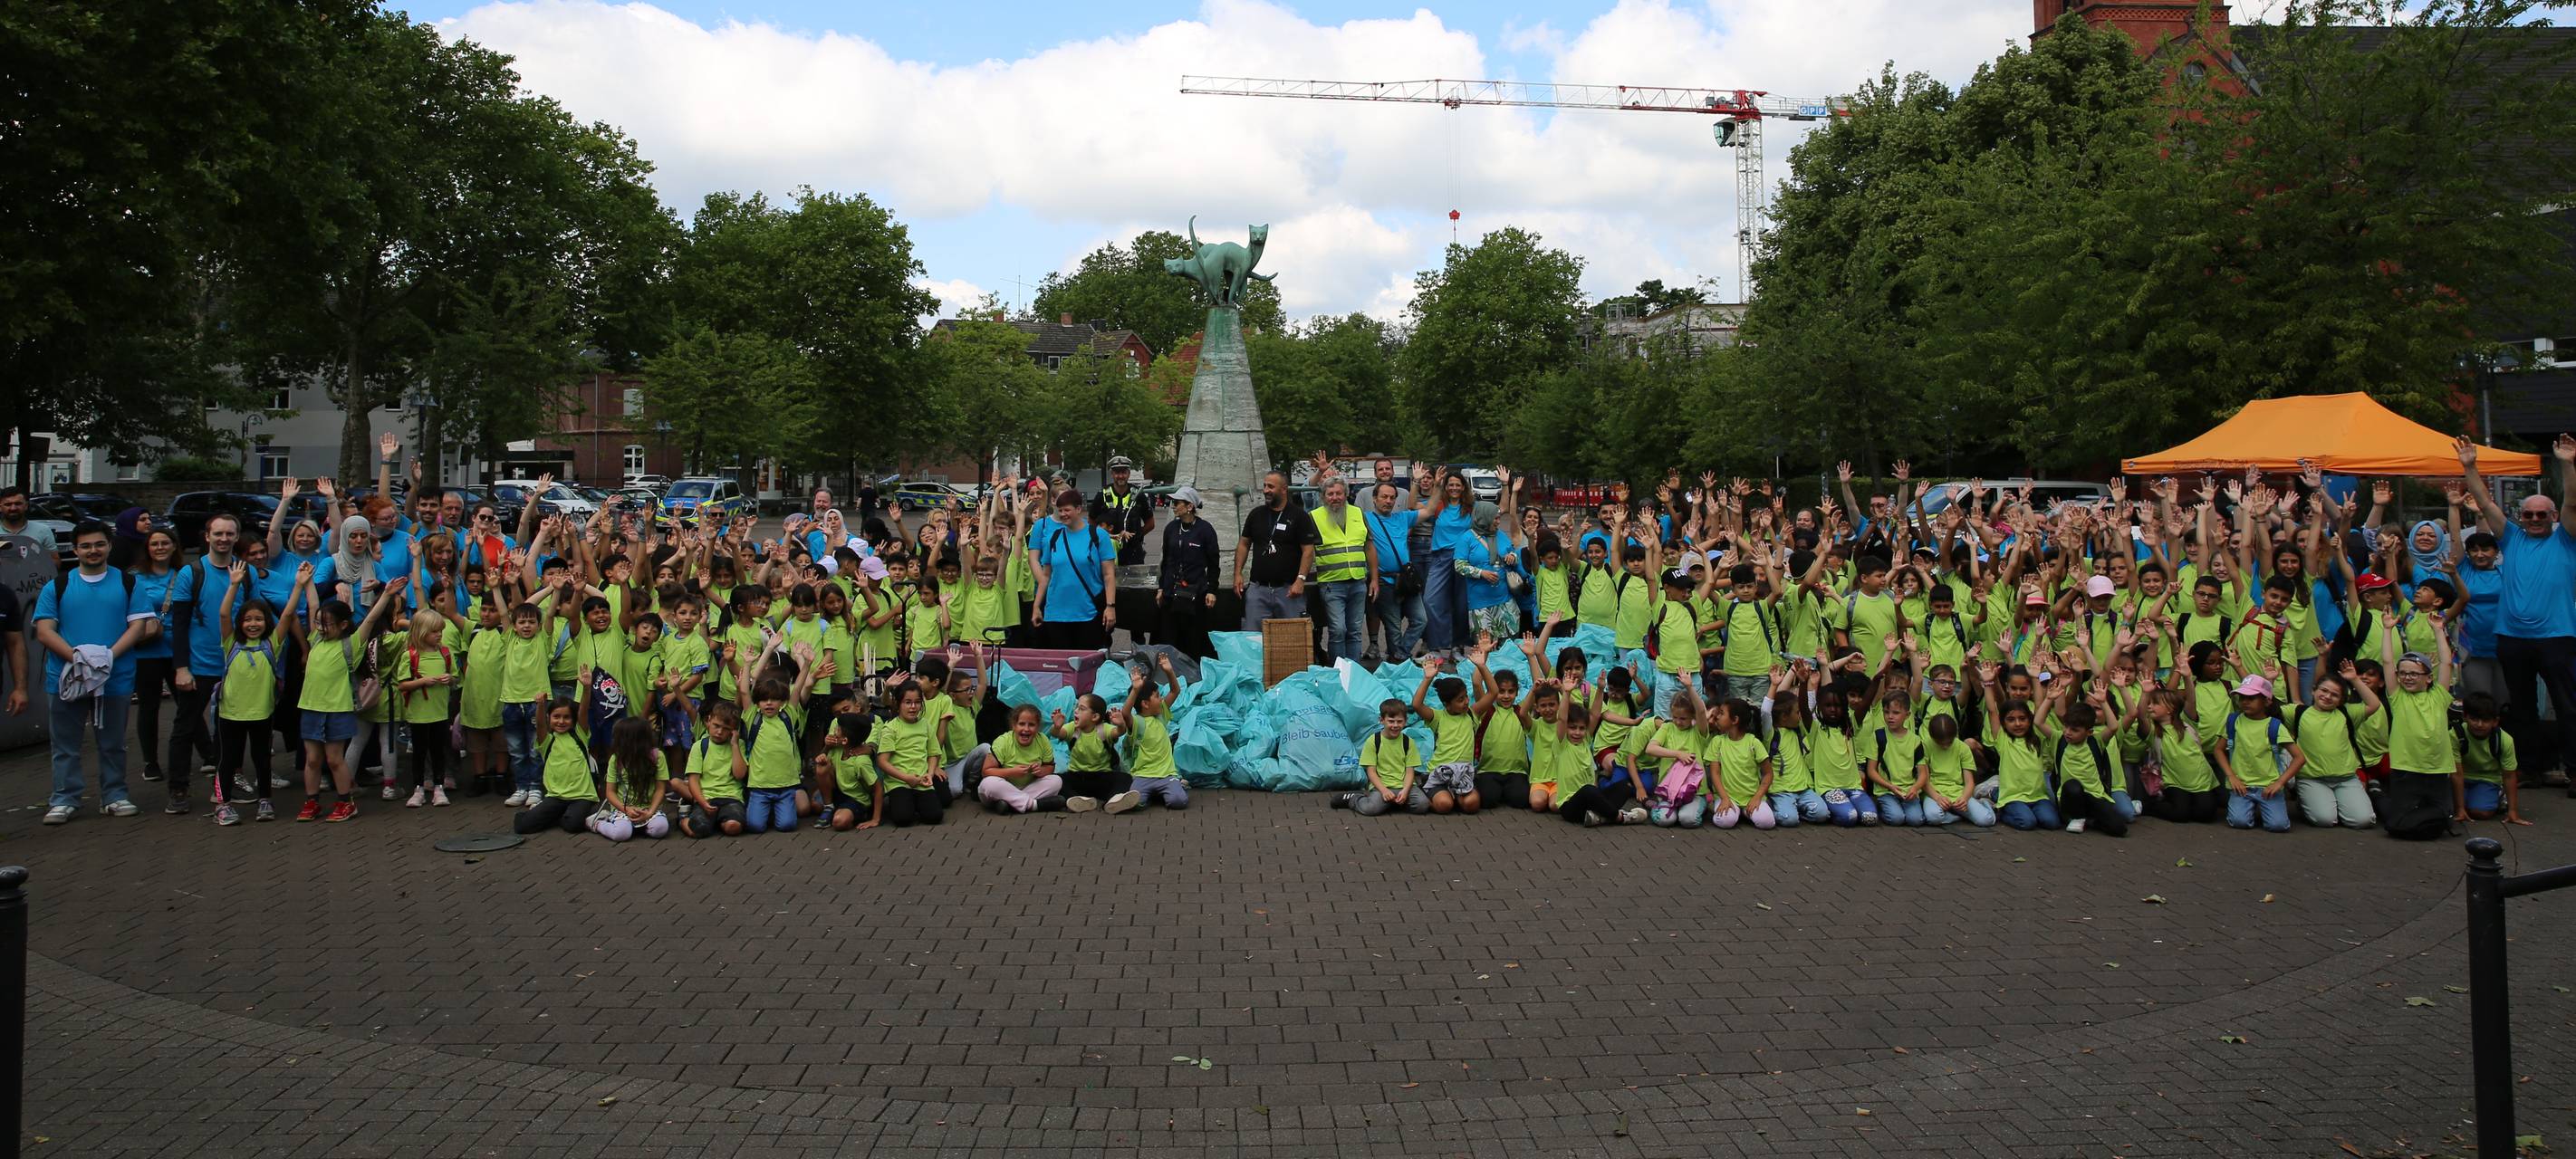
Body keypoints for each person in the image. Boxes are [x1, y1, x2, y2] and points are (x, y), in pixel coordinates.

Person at [2454, 434, 2576, 787]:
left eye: (2541, 514)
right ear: (2519, 516)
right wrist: (2470, 466)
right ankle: (2530, 769)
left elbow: (2573, 504)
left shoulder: (2565, 537)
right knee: (2521, 709)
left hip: (2557, 637)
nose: (2535, 518)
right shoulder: (2510, 536)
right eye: (2528, 514)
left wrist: (2567, 463)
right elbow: (2483, 501)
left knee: (2568, 706)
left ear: (2552, 516)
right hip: (2512, 638)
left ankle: (2574, 769)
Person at [33, 522, 155, 824]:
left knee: (112, 741)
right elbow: (45, 631)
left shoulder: (128, 583)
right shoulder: (58, 586)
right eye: (85, 546)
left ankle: (114, 796)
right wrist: (79, 659)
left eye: (99, 544)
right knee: (65, 744)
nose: (93, 550)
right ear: (75, 550)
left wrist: (108, 658)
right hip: (65, 679)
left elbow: (138, 626)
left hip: (115, 678)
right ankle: (64, 799)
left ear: (109, 546)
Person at [288, 571, 406, 823]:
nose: (320, 627)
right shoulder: (316, 640)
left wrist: (386, 594)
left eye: (326, 624)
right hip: (310, 708)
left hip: (338, 710)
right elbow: (313, 606)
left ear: (343, 625)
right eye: (318, 623)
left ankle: (345, 802)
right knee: (312, 760)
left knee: (334, 759)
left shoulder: (351, 644)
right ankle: (312, 802)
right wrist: (306, 582)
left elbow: (371, 618)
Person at [209, 561, 300, 826]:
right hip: (230, 713)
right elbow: (224, 615)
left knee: (262, 759)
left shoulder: (272, 644)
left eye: (258, 619)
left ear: (266, 623)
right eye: (248, 619)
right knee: (228, 759)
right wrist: (234, 584)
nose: (253, 624)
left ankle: (265, 800)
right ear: (240, 623)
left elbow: (286, 615)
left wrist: (299, 585)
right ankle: (223, 804)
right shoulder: (231, 643)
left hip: (262, 713)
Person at [1306, 463, 1375, 663]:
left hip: (1358, 582)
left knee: (1354, 631)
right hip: (1331, 583)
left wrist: (1374, 579)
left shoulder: (1358, 513)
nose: (1335, 498)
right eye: (1330, 494)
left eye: (1338, 493)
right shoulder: (1314, 517)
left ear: (1346, 495)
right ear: (1323, 496)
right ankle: (1338, 671)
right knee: (1337, 630)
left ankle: (1353, 671)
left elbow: (1369, 547)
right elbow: (1308, 552)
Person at [1031, 489, 1116, 649]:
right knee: (1061, 667)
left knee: (1088, 664)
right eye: (1060, 510)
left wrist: (1110, 606)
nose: (1063, 514)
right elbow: (1046, 575)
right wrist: (1036, 606)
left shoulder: (1098, 535)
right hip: (1055, 613)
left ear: (1078, 509)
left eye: (1067, 510)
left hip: (1087, 612)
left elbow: (1109, 575)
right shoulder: (1053, 537)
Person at [1234, 470, 1313, 631]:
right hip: (1259, 590)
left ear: (1284, 489)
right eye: (1264, 486)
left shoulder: (1299, 516)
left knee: (1292, 640)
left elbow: (1308, 551)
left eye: (1271, 486)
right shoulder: (1256, 514)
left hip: (1289, 591)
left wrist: (1300, 580)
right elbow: (1243, 544)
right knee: (1252, 640)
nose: (1265, 490)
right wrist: (1238, 573)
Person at [511, 698, 599, 835]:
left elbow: (583, 712)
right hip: (555, 796)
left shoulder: (580, 736)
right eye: (556, 717)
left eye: (567, 717)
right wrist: (540, 705)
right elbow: (540, 725)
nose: (561, 721)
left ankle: (567, 814)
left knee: (573, 826)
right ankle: (551, 812)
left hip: (582, 796)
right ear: (549, 718)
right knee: (522, 827)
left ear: (574, 720)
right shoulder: (547, 741)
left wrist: (587, 689)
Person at [1157, 487, 1221, 659]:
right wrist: (1161, 588)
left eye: (1177, 503)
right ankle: (1171, 677)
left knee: (1193, 640)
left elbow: (1214, 563)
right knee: (1170, 639)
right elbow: (1167, 561)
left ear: (1190, 506)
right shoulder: (1171, 528)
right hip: (1171, 593)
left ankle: (1194, 676)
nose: (1173, 506)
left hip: (1194, 594)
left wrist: (1211, 589)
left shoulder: (1205, 530)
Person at [1364, 482, 1424, 662]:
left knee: (1421, 619)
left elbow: (1429, 512)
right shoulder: (1364, 518)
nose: (1388, 501)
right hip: (1383, 581)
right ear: (1374, 498)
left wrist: (1434, 486)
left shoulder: (1402, 518)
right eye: (1384, 497)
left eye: (1392, 497)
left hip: (1406, 580)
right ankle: (1398, 663)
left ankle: (1400, 655)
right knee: (1393, 628)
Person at [1338, 698, 1429, 815]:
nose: (1395, 725)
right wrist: (1384, 790)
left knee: (1423, 805)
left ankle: (1394, 802)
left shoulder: (1408, 742)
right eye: (1391, 721)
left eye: (1399, 721)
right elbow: (1371, 772)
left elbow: (1410, 771)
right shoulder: (1373, 741)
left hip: (1405, 786)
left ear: (1406, 721)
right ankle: (1354, 799)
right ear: (1381, 720)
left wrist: (1405, 791)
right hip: (1382, 786)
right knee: (1370, 809)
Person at [976, 705, 1062, 815]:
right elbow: (986, 771)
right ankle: (1034, 805)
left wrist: (1041, 771)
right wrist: (1012, 772)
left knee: (1056, 781)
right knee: (988, 784)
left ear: (1038, 727)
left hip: (1029, 787)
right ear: (1014, 725)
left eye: (1031, 725)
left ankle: (1009, 804)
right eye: (1021, 724)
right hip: (1004, 787)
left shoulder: (1043, 740)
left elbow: (1050, 767)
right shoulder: (1003, 741)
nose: (1026, 729)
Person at [1089, 455, 1155, 568]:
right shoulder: (1102, 494)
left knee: (1134, 583)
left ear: (1129, 473)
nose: (1120, 476)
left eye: (1124, 472)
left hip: (1133, 554)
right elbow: (1091, 522)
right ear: (1112, 474)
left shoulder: (1138, 495)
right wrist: (1106, 537)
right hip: (1108, 551)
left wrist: (1137, 536)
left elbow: (1150, 524)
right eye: (1117, 473)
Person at [0, 486, 57, 554]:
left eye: (18, 504)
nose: (13, 508)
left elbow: (54, 560)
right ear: (0, 507)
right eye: (8, 504)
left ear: (26, 505)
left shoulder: (43, 530)